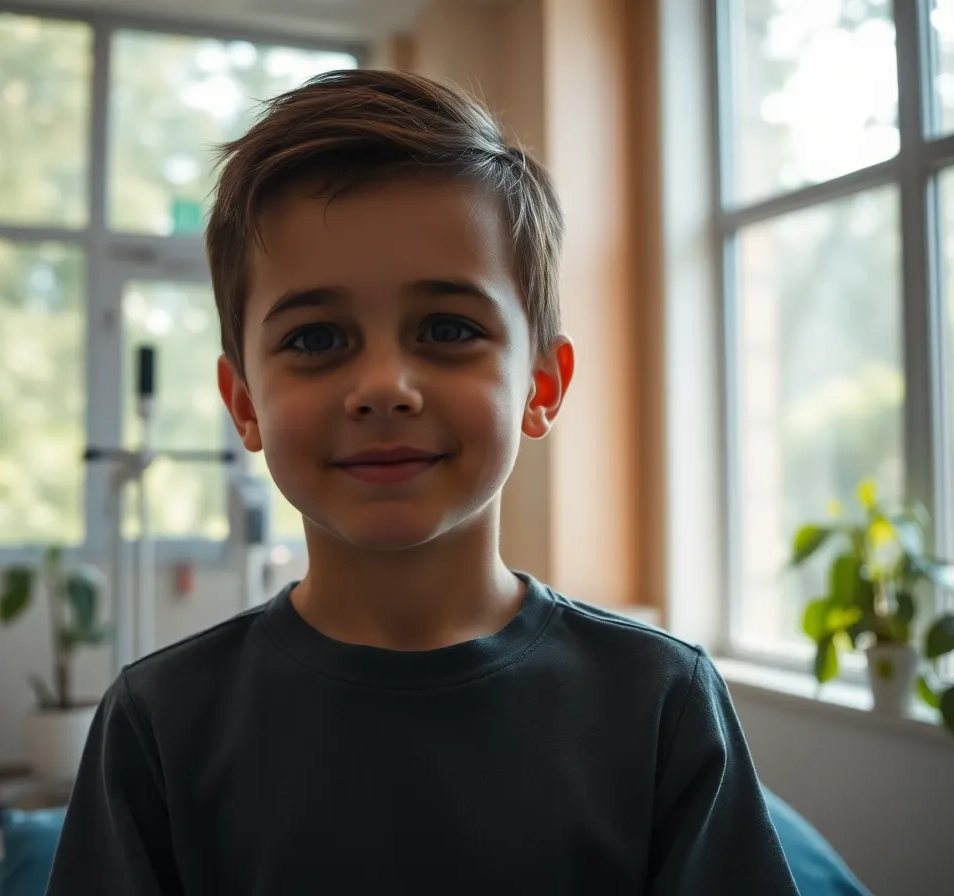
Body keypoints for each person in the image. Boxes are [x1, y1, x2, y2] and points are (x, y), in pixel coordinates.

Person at [46, 69, 799, 895]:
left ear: (542, 386)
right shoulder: (159, 723)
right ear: (244, 403)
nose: (383, 386)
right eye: (316, 338)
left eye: (447, 328)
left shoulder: (660, 703)